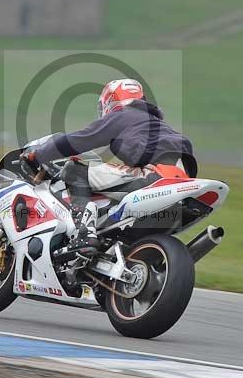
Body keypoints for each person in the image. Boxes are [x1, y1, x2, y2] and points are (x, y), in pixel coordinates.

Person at [21, 79, 193, 253]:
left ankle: (84, 233)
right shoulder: (157, 124)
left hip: (156, 177)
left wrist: (38, 155)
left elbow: (78, 140)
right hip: (181, 181)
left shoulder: (122, 115)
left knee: (75, 169)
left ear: (110, 101)